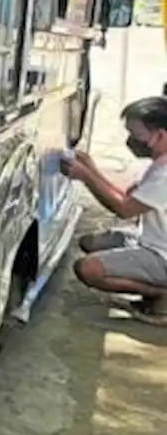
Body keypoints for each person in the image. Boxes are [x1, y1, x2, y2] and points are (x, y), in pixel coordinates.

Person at [62, 96, 167, 326]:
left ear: (160, 136)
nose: (131, 142)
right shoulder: (160, 162)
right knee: (90, 242)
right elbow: (128, 198)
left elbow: (123, 208)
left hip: (162, 255)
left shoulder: (164, 175)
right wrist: (91, 169)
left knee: (88, 269)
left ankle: (160, 294)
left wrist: (86, 177)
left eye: (137, 135)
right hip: (152, 241)